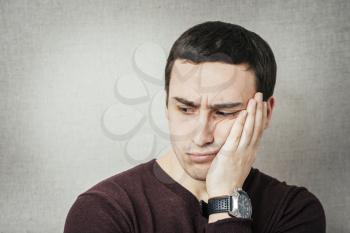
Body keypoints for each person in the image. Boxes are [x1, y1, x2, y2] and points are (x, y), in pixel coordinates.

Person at [63, 21, 326, 233]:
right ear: (166, 106)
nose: (200, 136)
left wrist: (225, 196)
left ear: (265, 113)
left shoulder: (293, 210)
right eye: (185, 108)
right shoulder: (104, 210)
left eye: (224, 112)